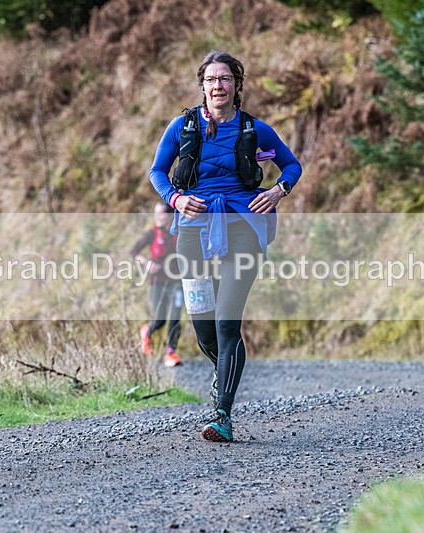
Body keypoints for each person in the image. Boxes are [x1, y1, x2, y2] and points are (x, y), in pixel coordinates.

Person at [149, 50, 302, 442]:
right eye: (211, 80)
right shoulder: (181, 127)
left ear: (237, 86)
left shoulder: (256, 129)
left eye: (226, 79)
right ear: (202, 86)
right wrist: (176, 199)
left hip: (242, 227)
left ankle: (222, 414)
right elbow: (157, 172)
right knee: (203, 332)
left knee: (227, 321)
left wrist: (278, 191)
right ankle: (225, 377)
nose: (219, 86)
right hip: (193, 230)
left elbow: (291, 165)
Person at [130, 201, 183, 367]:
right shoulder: (152, 234)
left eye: (160, 213)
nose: (157, 217)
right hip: (157, 282)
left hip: (178, 281)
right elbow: (134, 251)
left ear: (169, 215)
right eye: (155, 213)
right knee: (160, 319)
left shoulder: (179, 231)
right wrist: (147, 263)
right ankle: (147, 331)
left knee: (175, 315)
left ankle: (171, 353)